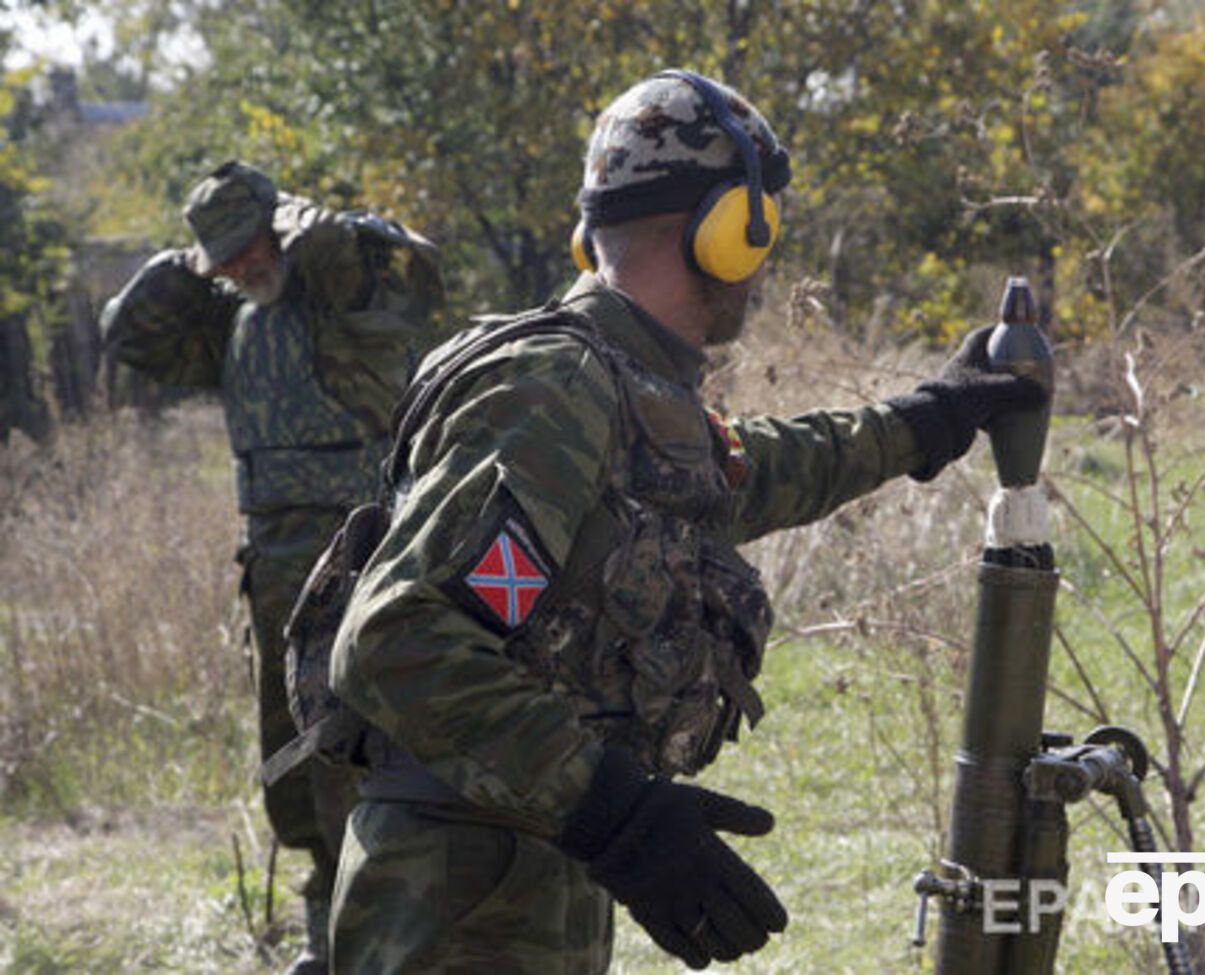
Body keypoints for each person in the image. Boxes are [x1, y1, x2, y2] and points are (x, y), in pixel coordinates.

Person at [326, 71, 1044, 974]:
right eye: (764, 223)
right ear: (730, 228)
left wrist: (927, 420)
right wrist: (616, 813)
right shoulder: (555, 388)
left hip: (507, 871)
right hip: (458, 901)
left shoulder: (622, 388)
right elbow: (395, 638)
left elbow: (745, 473)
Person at [100, 160, 444, 975]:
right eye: (222, 257)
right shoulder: (236, 319)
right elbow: (127, 333)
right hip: (274, 567)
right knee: (293, 750)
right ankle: (331, 932)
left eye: (247, 245)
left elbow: (387, 262)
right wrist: (193, 260)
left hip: (360, 551)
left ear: (279, 226)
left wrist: (295, 224)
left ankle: (391, 937)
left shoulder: (339, 285)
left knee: (362, 742)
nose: (239, 265)